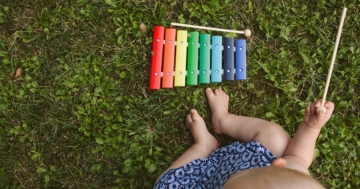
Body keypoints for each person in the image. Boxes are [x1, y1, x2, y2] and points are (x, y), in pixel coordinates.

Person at [154, 88, 334, 189]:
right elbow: (298, 158)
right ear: (278, 166)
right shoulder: (293, 177)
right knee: (275, 137)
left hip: (195, 184)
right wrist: (311, 127)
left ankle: (203, 145)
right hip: (239, 162)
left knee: (164, 185)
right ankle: (223, 120)